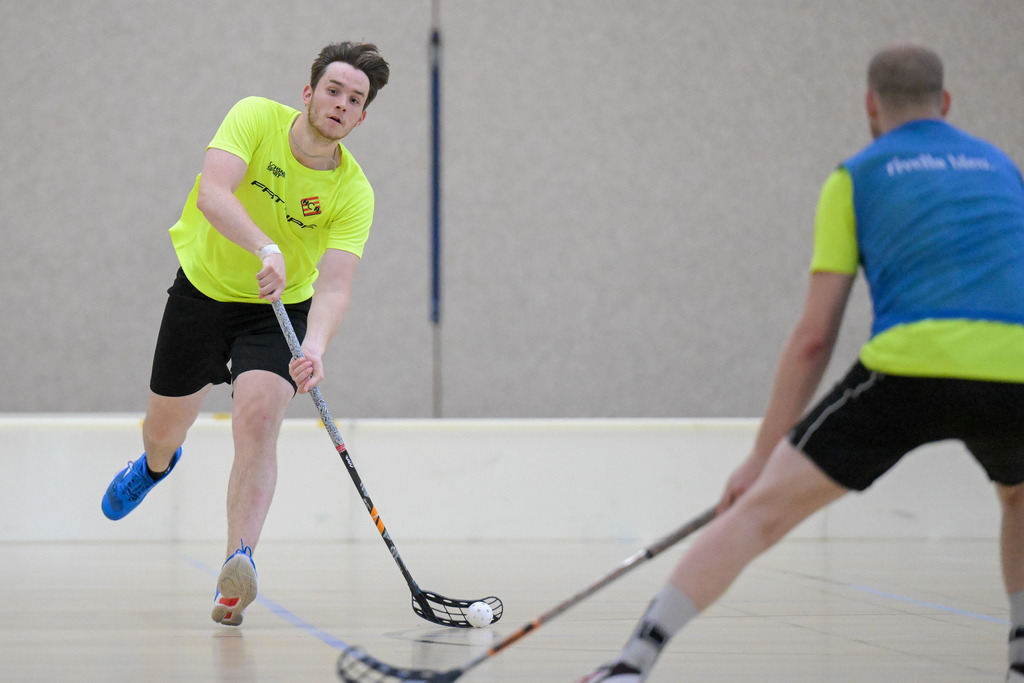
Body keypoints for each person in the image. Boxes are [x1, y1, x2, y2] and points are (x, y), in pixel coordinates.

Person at [580, 43, 1024, 681]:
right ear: (946, 104)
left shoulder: (857, 175)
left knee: (759, 515)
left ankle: (632, 662)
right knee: (1018, 497)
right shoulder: (1004, 168)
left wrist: (761, 460)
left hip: (911, 369)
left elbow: (815, 336)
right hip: (1015, 368)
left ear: (870, 106)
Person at [100, 42, 390, 627]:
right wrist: (265, 246)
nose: (340, 104)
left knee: (259, 417)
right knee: (163, 429)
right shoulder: (254, 116)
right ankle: (157, 465)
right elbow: (212, 194)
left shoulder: (353, 192)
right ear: (308, 94)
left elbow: (334, 286)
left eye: (354, 100)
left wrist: (315, 348)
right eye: (333, 90)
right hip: (203, 290)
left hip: (277, 310)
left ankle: (239, 562)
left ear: (361, 118)